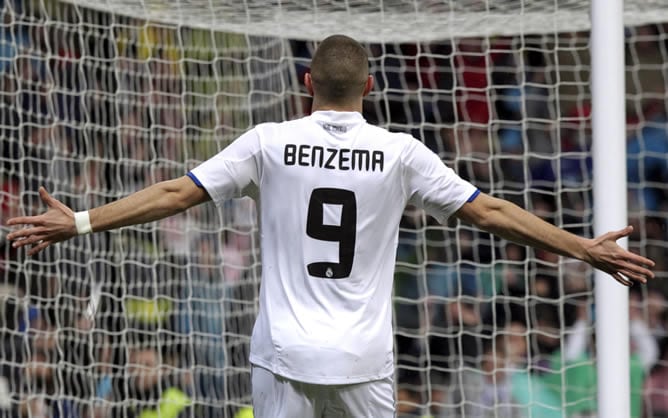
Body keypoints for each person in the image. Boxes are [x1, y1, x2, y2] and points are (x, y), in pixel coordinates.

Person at [5, 34, 656, 418]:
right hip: (362, 359)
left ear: (306, 81)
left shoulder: (269, 140)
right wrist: (582, 249)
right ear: (370, 86)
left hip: (283, 355)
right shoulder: (400, 152)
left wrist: (84, 221)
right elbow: (490, 211)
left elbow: (179, 192)